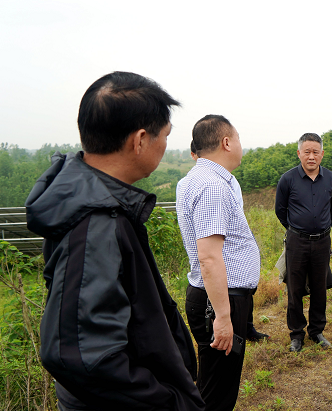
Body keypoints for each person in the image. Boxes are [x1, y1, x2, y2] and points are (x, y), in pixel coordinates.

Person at [26, 71, 205, 410]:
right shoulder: (97, 223)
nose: (166, 146)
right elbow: (82, 355)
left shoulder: (88, 199)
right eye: (164, 135)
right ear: (139, 140)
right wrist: (168, 402)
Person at [176, 115, 261, 411]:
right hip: (219, 301)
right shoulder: (212, 186)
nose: (240, 145)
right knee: (217, 396)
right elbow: (209, 257)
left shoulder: (194, 180)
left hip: (214, 297)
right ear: (226, 142)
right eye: (237, 139)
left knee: (212, 384)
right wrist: (223, 317)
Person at [275, 133, 332, 352]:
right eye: (307, 152)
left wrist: (320, 228)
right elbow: (280, 211)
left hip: (322, 242)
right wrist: (297, 229)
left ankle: (317, 331)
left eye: (315, 152)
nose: (311, 157)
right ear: (299, 153)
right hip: (296, 242)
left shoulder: (331, 179)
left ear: (322, 154)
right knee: (294, 288)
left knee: (320, 287)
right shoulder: (287, 179)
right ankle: (296, 334)